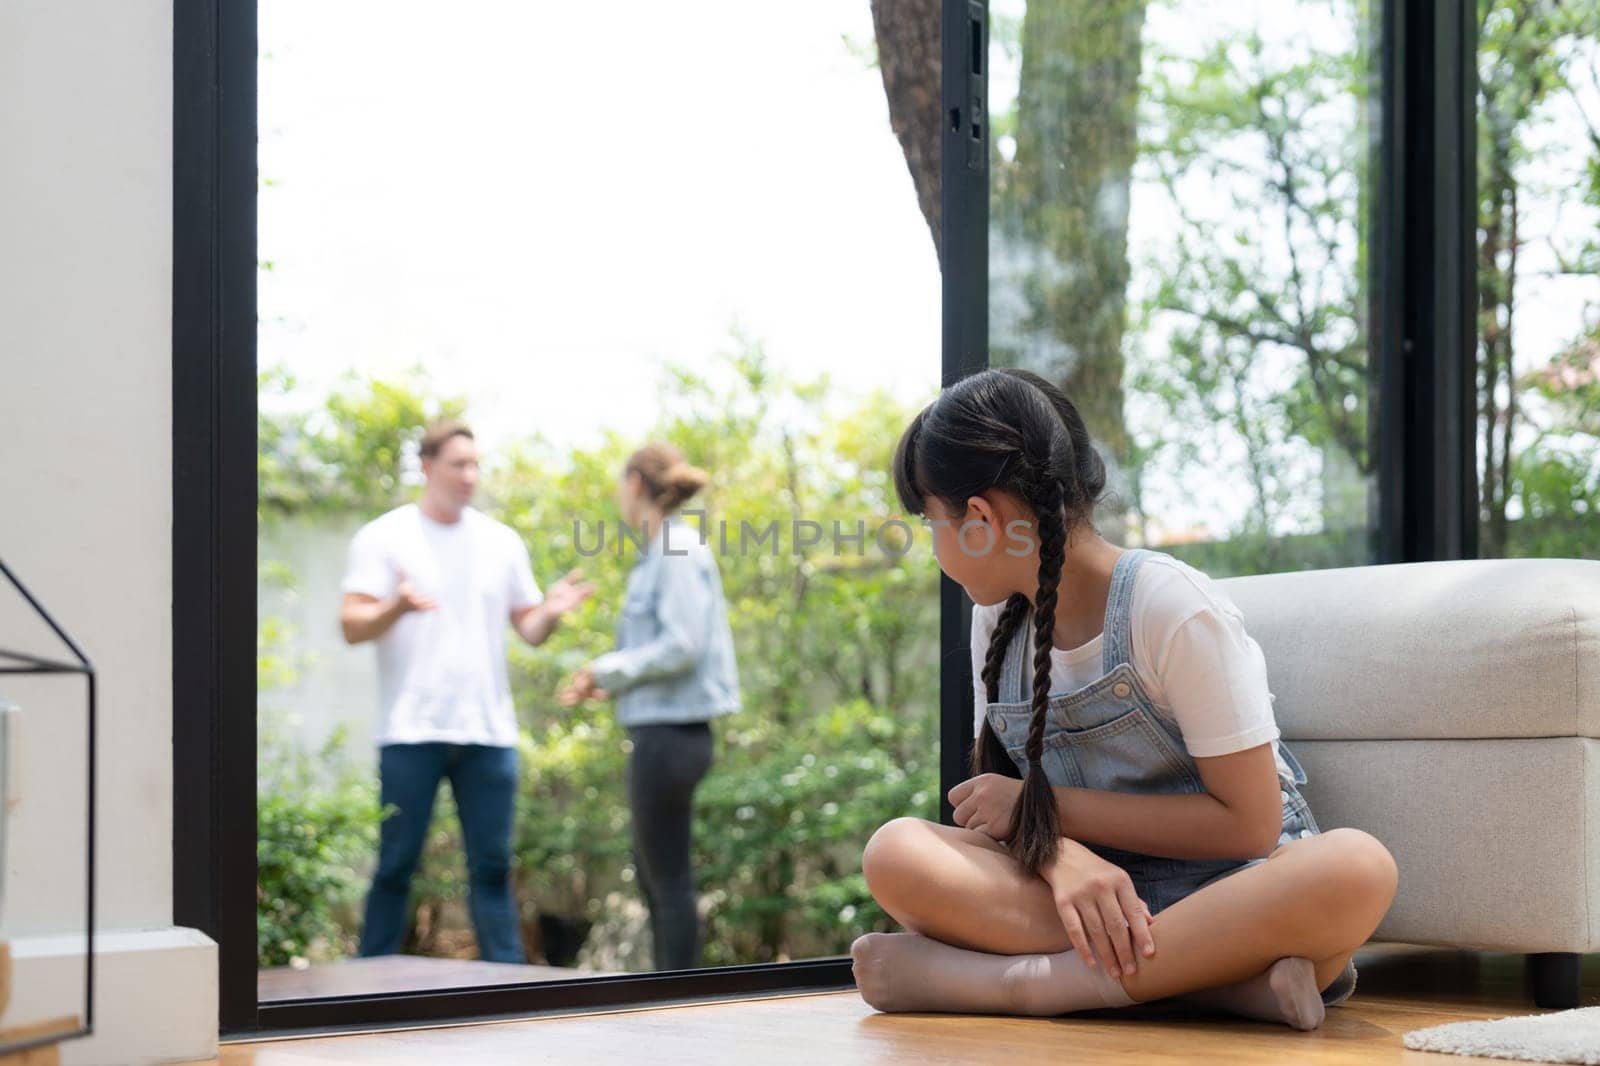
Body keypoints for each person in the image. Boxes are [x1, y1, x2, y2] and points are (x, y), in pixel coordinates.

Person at [850, 368, 1396, 1030]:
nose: (932, 546)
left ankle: (1027, 987)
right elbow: (1004, 816)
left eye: (931, 521)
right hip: (1089, 902)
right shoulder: (999, 618)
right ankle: (1217, 984)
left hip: (1235, 893)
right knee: (896, 853)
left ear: (981, 520)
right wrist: (1059, 853)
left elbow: (1250, 826)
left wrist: (1048, 812)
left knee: (1357, 868)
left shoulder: (1168, 605)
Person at [340, 419, 594, 963]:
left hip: (488, 732)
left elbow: (530, 629)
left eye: (476, 465)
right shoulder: (384, 537)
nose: (470, 476)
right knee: (395, 866)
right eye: (458, 464)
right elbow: (351, 625)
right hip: (411, 731)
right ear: (427, 466)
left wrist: (550, 611)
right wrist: (398, 606)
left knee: (494, 868)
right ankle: (366, 983)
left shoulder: (501, 542)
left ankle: (507, 987)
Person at [559, 442, 740, 971]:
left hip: (672, 735)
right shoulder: (661, 549)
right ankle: (671, 995)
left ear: (635, 483)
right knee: (655, 874)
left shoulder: (674, 548)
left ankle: (677, 1003)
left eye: (621, 484)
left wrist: (608, 669)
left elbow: (683, 644)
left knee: (667, 880)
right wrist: (609, 680)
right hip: (663, 729)